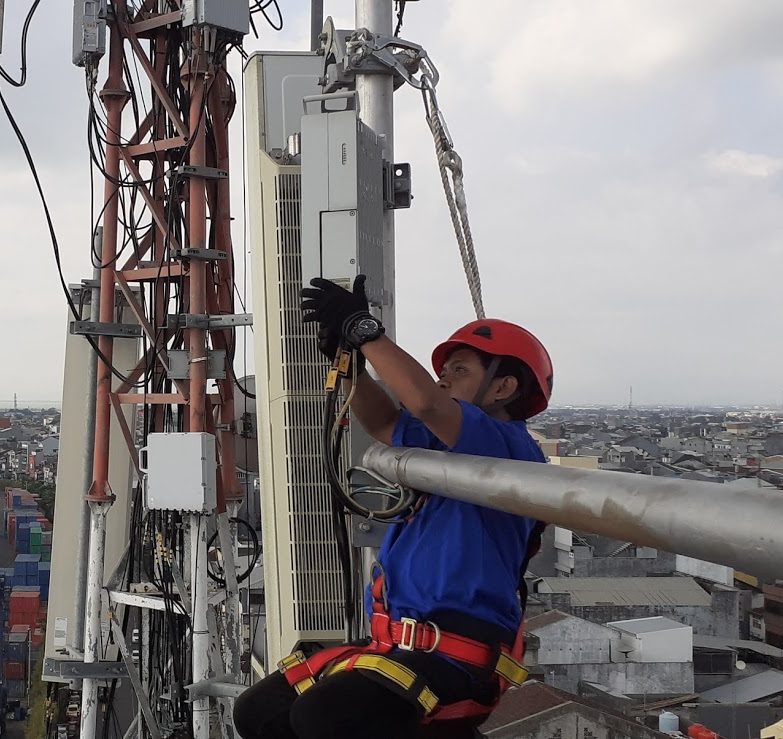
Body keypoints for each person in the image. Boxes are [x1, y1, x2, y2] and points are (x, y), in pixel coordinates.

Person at [233, 276, 554, 739]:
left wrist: (365, 331)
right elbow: (385, 422)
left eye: (459, 370)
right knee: (259, 713)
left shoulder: (507, 446)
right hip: (397, 642)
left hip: (456, 654)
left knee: (325, 717)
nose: (443, 377)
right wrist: (351, 366)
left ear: (503, 387)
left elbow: (425, 403)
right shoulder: (448, 448)